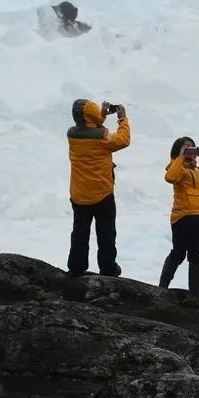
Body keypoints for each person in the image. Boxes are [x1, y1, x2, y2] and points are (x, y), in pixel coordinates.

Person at [66, 99, 130, 277]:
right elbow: (123, 140)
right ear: (91, 116)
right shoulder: (102, 137)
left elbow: (90, 127)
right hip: (102, 193)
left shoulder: (72, 135)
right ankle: (108, 267)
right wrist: (122, 119)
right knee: (106, 232)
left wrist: (101, 115)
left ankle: (76, 266)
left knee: (80, 231)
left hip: (78, 193)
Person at [158, 136, 199, 297]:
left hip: (197, 215)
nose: (190, 151)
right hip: (182, 217)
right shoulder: (177, 168)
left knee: (197, 255)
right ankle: (162, 287)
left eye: (192, 148)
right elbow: (170, 177)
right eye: (186, 148)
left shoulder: (196, 171)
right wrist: (180, 157)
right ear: (178, 151)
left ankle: (195, 293)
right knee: (178, 253)